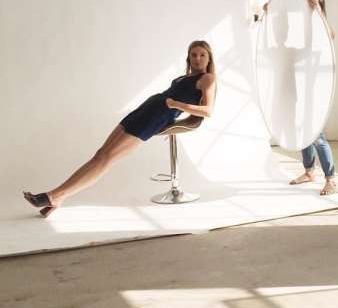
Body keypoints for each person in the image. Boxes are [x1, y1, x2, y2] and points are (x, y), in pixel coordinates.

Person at [23, 40, 217, 217]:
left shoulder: (207, 78)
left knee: (106, 159)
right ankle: (58, 198)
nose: (197, 59)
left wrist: (176, 105)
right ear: (188, 58)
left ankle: (54, 196)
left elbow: (207, 111)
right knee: (100, 154)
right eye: (193, 55)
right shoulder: (180, 79)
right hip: (143, 111)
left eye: (202, 55)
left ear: (209, 58)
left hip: (154, 118)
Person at [289, 0, 337, 195]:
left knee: (317, 134)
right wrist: (269, 11)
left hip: (318, 87)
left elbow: (331, 35)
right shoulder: (303, 26)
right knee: (303, 131)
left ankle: (331, 180)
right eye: (308, 3)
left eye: (314, 3)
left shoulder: (321, 25)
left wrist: (318, 12)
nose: (309, 6)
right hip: (302, 83)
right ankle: (309, 171)